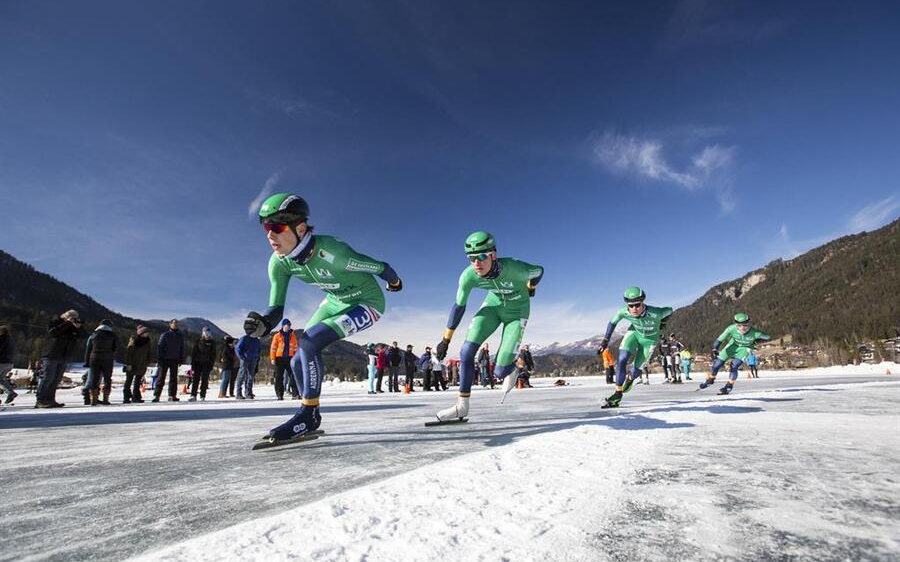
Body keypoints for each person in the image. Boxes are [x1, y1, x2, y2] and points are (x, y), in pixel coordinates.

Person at [243, 193, 402, 443]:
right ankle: (310, 412)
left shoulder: (335, 253)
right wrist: (264, 324)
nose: (269, 235)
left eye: (276, 226)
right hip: (335, 301)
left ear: (301, 228)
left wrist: (395, 282)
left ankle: (307, 414)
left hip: (367, 302)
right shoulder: (279, 263)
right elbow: (276, 308)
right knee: (297, 361)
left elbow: (380, 267)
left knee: (310, 342)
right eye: (265, 227)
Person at [433, 231, 544, 422]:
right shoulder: (469, 276)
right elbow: (459, 307)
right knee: (466, 352)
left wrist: (531, 287)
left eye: (482, 256)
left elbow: (539, 271)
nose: (477, 263)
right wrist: (445, 339)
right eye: (471, 258)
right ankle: (462, 406)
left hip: (517, 314)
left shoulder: (516, 269)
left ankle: (511, 368)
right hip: (493, 307)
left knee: (500, 371)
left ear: (493, 254)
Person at [598, 287, 672, 408]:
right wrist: (605, 340)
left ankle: (631, 378)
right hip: (634, 333)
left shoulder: (656, 313)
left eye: (637, 305)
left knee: (635, 371)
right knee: (621, 360)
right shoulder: (624, 312)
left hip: (649, 341)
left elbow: (670, 310)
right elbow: (612, 323)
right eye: (630, 306)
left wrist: (663, 322)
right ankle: (617, 394)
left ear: (643, 302)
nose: (634, 309)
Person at [699, 313, 771, 395]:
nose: (742, 328)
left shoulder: (755, 333)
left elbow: (768, 337)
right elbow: (719, 340)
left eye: (745, 325)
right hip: (733, 345)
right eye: (739, 326)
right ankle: (710, 380)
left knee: (734, 365)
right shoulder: (731, 329)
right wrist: (715, 349)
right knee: (717, 364)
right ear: (735, 324)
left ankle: (729, 386)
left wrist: (758, 340)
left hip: (745, 348)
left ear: (748, 324)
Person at [36, 310, 85, 408]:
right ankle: (41, 400)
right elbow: (53, 333)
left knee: (56, 379)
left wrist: (79, 328)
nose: (73, 319)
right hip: (51, 354)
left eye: (75, 317)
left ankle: (50, 400)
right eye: (71, 317)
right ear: (65, 316)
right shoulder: (56, 322)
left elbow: (83, 336)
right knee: (48, 377)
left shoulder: (73, 327)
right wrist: (67, 323)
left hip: (64, 355)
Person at [154, 319, 185, 402]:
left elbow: (182, 348)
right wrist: (160, 358)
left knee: (173, 379)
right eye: (174, 323)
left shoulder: (180, 336)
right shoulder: (165, 335)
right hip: (164, 359)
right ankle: (157, 395)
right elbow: (160, 347)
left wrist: (181, 358)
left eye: (176, 323)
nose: (175, 325)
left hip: (175, 359)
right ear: (170, 324)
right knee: (161, 378)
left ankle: (172, 395)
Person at [269, 319, 299, 400]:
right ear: (283, 326)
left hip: (290, 358)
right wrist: (272, 358)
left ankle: (295, 394)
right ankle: (279, 394)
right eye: (287, 325)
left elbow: (296, 348)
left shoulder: (292, 336)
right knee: (279, 377)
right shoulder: (277, 336)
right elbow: (273, 348)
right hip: (279, 359)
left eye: (289, 325)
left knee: (293, 376)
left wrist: (296, 359)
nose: (288, 327)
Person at [123, 325, 151, 403]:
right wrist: (128, 363)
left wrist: (148, 361)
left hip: (142, 364)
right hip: (132, 363)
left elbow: (149, 352)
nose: (147, 334)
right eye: (146, 332)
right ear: (141, 333)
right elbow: (129, 352)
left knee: (138, 381)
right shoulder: (133, 340)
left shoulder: (147, 341)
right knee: (129, 380)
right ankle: (126, 397)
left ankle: (136, 397)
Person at [189, 328, 217, 401]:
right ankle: (193, 395)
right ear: (203, 333)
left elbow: (213, 354)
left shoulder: (212, 343)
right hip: (197, 363)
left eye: (209, 333)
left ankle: (202, 395)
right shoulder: (198, 341)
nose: (207, 335)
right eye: (206, 333)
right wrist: (193, 364)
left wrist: (211, 364)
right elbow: (193, 353)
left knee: (204, 380)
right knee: (195, 380)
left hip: (207, 364)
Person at [235, 333, 260, 399]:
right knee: (241, 375)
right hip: (245, 359)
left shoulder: (256, 340)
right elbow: (237, 348)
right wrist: (241, 357)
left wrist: (257, 357)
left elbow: (258, 349)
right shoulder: (244, 338)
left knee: (250, 376)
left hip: (253, 359)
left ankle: (248, 392)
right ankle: (238, 393)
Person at [0, 326, 18, 404]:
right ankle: (10, 392)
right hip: (9, 363)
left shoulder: (2, 339)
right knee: (0, 380)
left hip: (1, 362)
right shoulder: (11, 340)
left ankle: (11, 392)